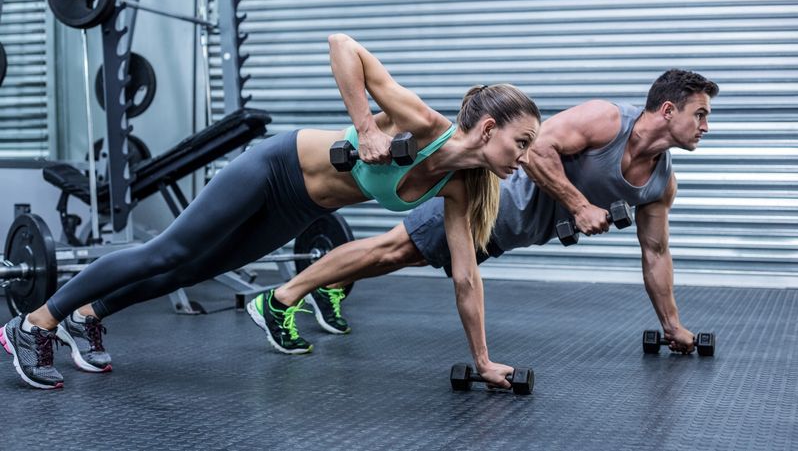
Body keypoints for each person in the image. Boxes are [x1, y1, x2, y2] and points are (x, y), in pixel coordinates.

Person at [0, 33, 541, 390]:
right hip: (273, 167)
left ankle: (87, 316)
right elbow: (342, 45)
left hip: (299, 207)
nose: (525, 156)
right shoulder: (422, 122)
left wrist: (485, 359)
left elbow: (467, 279)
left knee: (194, 269)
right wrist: (368, 126)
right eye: (522, 141)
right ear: (489, 130)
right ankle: (32, 324)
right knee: (169, 250)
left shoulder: (460, 190)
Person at [265, 69, 718, 355]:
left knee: (408, 254)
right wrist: (579, 206)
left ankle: (332, 288)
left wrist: (672, 326)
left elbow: (656, 252)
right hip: (491, 201)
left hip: (510, 233)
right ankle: (284, 296)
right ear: (666, 109)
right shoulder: (606, 120)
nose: (705, 126)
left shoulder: (661, 183)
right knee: (393, 249)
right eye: (699, 114)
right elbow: (537, 148)